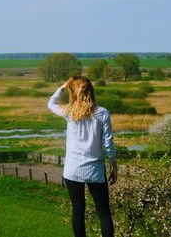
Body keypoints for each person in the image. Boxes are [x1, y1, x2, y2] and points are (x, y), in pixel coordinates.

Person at [47, 76, 117, 237]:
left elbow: (50, 104)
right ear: (91, 91)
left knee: (78, 211)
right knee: (104, 214)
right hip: (95, 170)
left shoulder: (69, 112)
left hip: (72, 170)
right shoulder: (103, 114)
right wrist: (114, 166)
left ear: (74, 92)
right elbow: (108, 144)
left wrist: (62, 87)